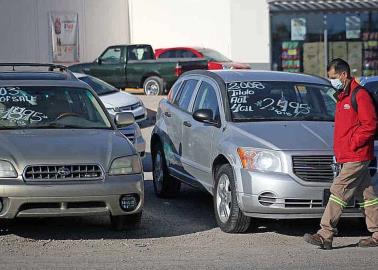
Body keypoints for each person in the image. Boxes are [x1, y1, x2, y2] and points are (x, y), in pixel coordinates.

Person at [304, 58, 378, 249]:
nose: (332, 81)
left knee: (338, 191)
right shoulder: (342, 96)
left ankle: (325, 233)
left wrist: (353, 143)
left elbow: (370, 125)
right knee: (368, 196)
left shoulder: (359, 95)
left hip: (357, 155)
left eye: (333, 77)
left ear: (344, 75)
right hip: (349, 154)